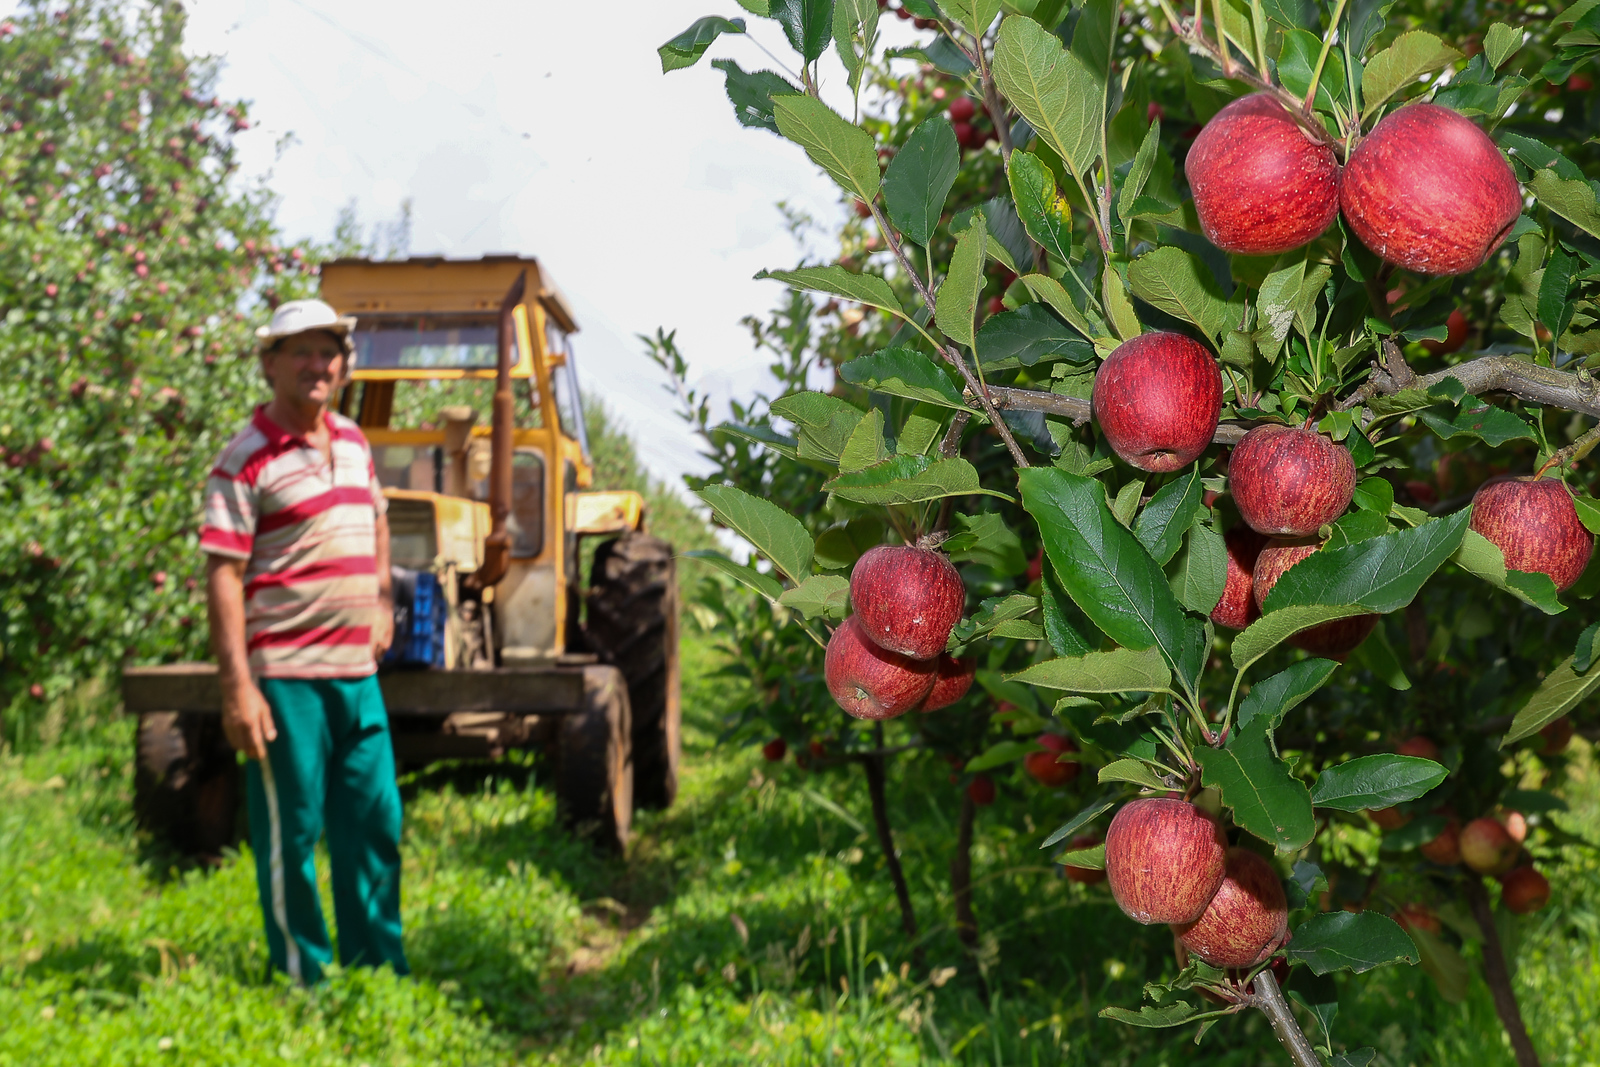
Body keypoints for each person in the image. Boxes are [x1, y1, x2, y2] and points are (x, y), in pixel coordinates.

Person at [200, 298, 409, 984]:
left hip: (358, 671)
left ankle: (376, 968)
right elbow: (224, 575)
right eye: (301, 352)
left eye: (328, 352)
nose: (318, 365)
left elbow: (377, 522)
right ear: (270, 365)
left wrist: (382, 599)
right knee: (292, 834)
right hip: (285, 677)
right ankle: (305, 976)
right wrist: (237, 687)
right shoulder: (244, 459)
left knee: (375, 821)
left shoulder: (353, 439)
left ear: (343, 365)